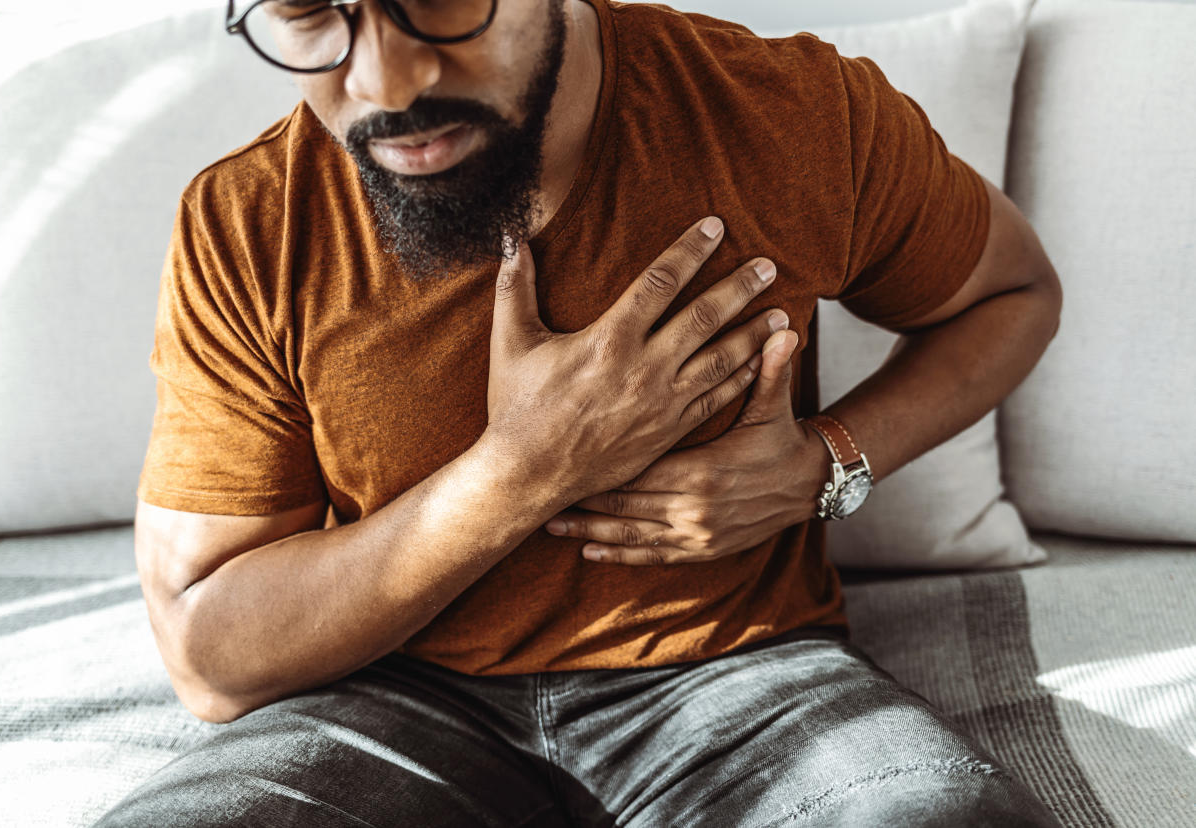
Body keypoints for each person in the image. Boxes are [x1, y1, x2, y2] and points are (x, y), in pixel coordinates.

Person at [97, 0, 1066, 824]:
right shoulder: (250, 221)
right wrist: (524, 469)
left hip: (737, 675)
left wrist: (826, 464)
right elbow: (209, 655)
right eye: (311, 10)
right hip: (382, 691)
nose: (385, 83)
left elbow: (1013, 294)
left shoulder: (790, 115)